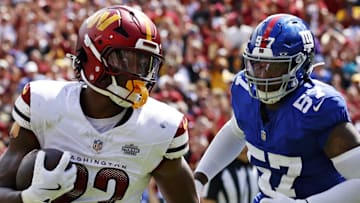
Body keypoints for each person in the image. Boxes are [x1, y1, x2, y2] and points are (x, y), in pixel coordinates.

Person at [0, 5, 198, 203]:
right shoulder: (44, 104)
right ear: (93, 56)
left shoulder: (160, 127)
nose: (140, 75)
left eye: (146, 64)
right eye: (127, 61)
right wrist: (27, 198)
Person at [194, 13, 360, 203]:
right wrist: (200, 177)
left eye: (272, 67)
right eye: (257, 64)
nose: (261, 76)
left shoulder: (317, 108)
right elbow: (235, 130)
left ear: (299, 66)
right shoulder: (245, 90)